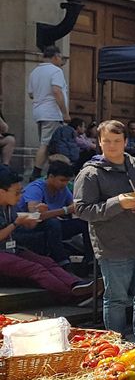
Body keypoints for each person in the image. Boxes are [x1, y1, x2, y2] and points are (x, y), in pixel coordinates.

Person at [74, 120, 135, 343]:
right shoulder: (91, 173)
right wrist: (118, 203)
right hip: (113, 247)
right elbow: (82, 210)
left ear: (125, 142)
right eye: (107, 141)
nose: (112, 146)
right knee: (116, 299)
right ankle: (116, 345)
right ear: (99, 143)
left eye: (117, 141)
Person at [0, 171, 95, 301]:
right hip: (3, 251)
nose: (20, 196)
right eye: (16, 192)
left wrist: (33, 219)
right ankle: (71, 295)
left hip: (12, 248)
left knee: (47, 262)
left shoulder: (11, 207)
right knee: (36, 268)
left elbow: (27, 226)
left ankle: (77, 285)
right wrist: (16, 223)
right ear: (1, 192)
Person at [15, 161, 86, 263]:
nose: (65, 184)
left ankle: (89, 259)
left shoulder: (64, 189)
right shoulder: (36, 189)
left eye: (67, 181)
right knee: (52, 222)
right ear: (51, 177)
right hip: (29, 227)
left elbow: (74, 207)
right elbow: (35, 215)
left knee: (83, 223)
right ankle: (61, 260)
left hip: (55, 225)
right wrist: (65, 210)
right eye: (62, 180)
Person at [27, 46, 69, 179]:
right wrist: (65, 113)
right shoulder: (56, 71)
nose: (61, 61)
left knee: (47, 143)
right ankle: (36, 173)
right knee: (46, 144)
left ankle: (52, 172)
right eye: (61, 58)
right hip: (52, 112)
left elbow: (31, 94)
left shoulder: (35, 72)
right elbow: (57, 91)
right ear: (56, 56)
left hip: (39, 112)